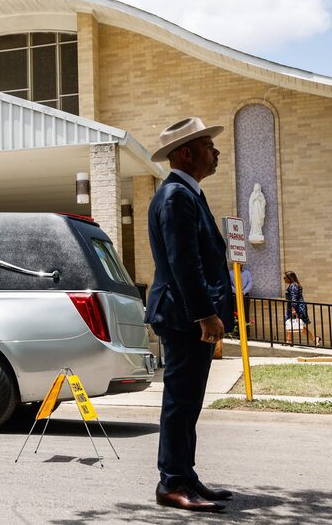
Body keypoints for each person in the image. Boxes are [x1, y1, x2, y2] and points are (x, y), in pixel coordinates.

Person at [145, 117, 235, 513]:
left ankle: (186, 475)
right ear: (186, 152)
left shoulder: (188, 194)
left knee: (189, 401)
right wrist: (205, 315)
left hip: (187, 317)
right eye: (207, 145)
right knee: (181, 402)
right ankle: (172, 483)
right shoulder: (176, 196)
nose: (216, 152)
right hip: (184, 318)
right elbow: (185, 262)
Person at [283, 271, 320, 346]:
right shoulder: (293, 285)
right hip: (295, 306)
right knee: (291, 323)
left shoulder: (293, 285)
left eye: (285, 277)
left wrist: (293, 309)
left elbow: (294, 297)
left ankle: (314, 338)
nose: (284, 279)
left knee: (297, 325)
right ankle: (288, 340)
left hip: (296, 307)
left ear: (290, 278)